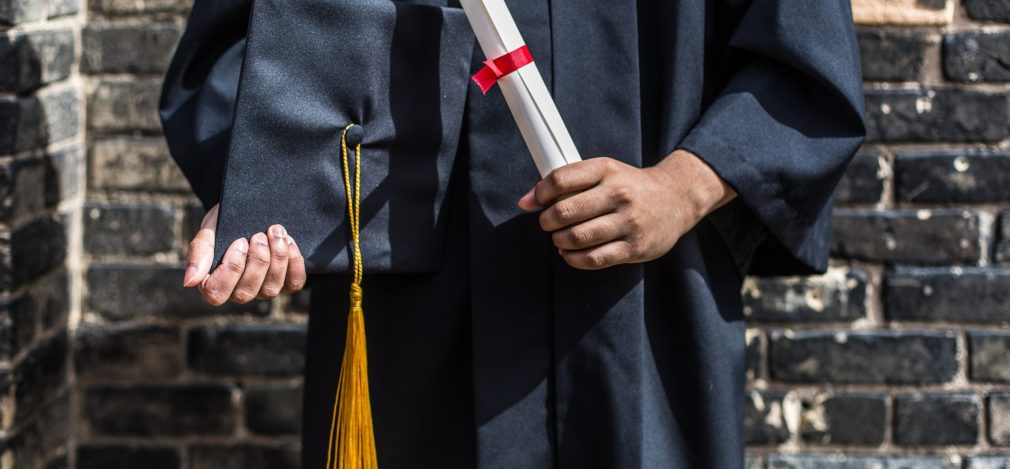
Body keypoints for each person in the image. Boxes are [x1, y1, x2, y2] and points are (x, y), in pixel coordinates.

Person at [160, 0, 865, 467]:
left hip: (639, 315)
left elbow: (800, 60)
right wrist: (267, 187)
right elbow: (239, 51)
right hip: (417, 312)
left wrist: (684, 186)